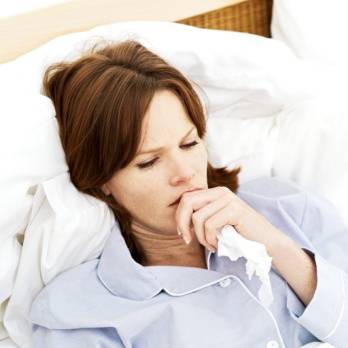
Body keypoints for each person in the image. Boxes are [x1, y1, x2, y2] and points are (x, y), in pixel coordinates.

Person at [30, 39, 348, 348]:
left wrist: (278, 247)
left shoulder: (287, 207)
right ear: (102, 180)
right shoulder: (78, 314)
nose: (185, 173)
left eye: (189, 144)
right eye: (149, 162)